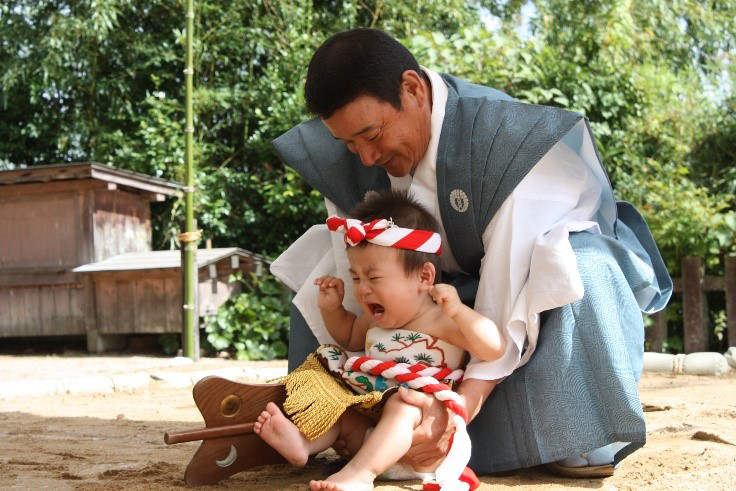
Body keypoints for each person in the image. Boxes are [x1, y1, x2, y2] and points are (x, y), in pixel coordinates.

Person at [269, 28, 672, 478]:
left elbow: (505, 291)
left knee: (583, 266)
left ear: (413, 89)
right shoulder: (355, 156)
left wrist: (456, 410)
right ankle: (327, 417)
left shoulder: (505, 144)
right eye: (348, 144)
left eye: (372, 134)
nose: (364, 158)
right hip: (437, 297)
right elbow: (357, 264)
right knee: (325, 255)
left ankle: (575, 431)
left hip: (532, 288)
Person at [256, 189, 500, 491]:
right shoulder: (372, 319)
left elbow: (492, 348)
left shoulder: (442, 319)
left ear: (424, 277)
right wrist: (332, 310)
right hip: (369, 433)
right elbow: (348, 336)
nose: (363, 290)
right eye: (356, 278)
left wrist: (461, 311)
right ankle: (304, 444)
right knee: (338, 402)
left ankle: (360, 474)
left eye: (374, 277)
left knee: (404, 403)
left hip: (422, 441)